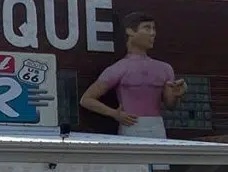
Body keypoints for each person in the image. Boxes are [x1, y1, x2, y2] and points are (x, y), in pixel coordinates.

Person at [79, 10, 186, 142]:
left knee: (159, 162)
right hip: (131, 126)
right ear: (130, 31)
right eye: (147, 28)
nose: (152, 33)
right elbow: (86, 99)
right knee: (134, 162)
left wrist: (176, 95)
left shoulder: (164, 68)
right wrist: (114, 114)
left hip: (157, 126)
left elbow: (170, 105)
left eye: (153, 28)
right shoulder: (120, 68)